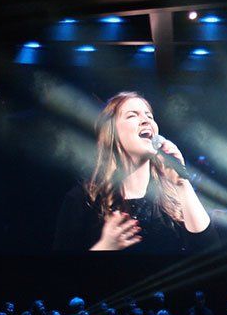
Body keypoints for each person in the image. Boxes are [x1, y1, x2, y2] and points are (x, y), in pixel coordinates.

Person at [54, 92, 211, 252]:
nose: (146, 120)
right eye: (132, 115)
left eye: (149, 116)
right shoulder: (84, 201)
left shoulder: (174, 197)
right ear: (112, 132)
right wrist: (104, 247)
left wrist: (182, 182)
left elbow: (209, 255)